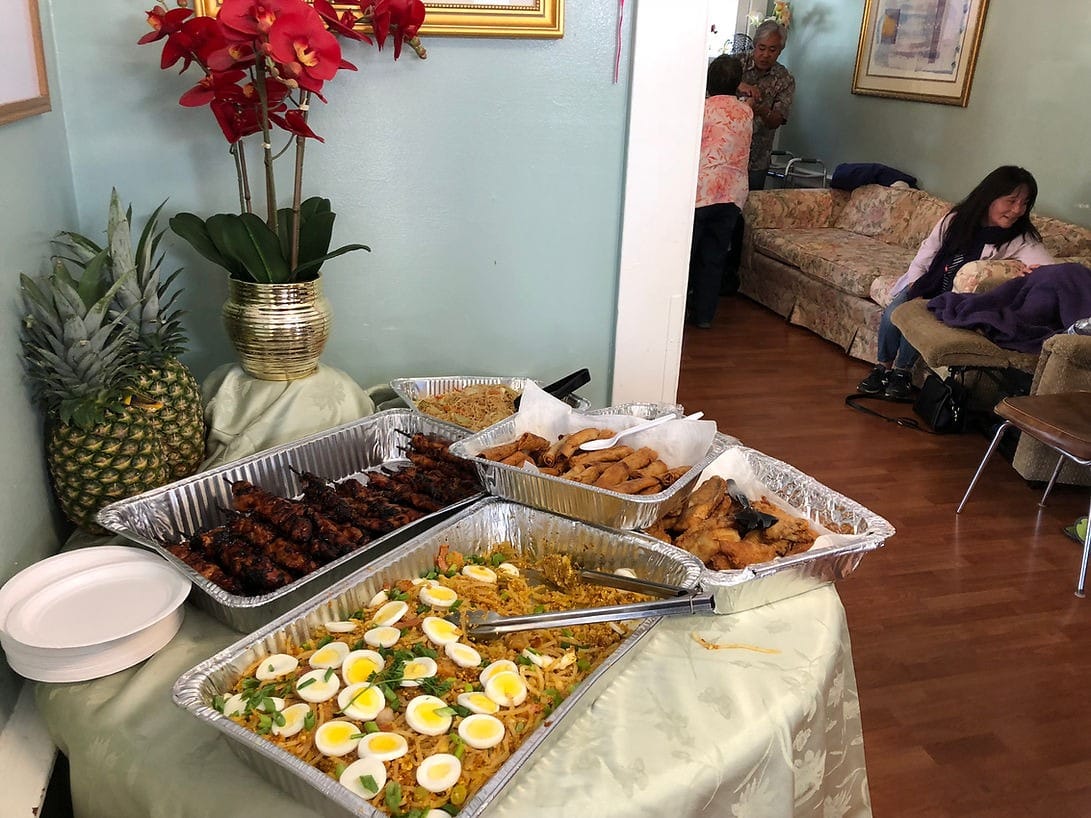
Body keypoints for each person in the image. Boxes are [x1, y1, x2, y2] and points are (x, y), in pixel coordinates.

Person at [858, 165, 1056, 399]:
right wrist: (915, 287)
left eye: (1024, 203)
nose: (1017, 210)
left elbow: (1051, 269)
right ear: (990, 198)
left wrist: (1033, 271)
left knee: (922, 318)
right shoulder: (954, 220)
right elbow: (925, 256)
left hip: (956, 298)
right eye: (1011, 201)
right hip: (926, 281)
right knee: (895, 314)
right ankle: (882, 367)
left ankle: (902, 372)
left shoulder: (1020, 237)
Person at [689, 54, 753, 328]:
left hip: (700, 192)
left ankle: (679, 312)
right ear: (738, 82)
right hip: (731, 195)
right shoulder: (746, 112)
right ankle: (704, 316)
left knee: (687, 255)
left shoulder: (700, 109)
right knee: (714, 257)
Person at [737, 20, 795, 192]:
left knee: (752, 210)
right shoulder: (735, 64)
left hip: (757, 158)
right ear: (755, 45)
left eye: (772, 50)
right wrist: (739, 84)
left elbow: (777, 120)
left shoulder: (784, 78)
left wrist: (760, 108)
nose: (765, 55)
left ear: (780, 51)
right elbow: (708, 86)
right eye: (761, 48)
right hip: (725, 152)